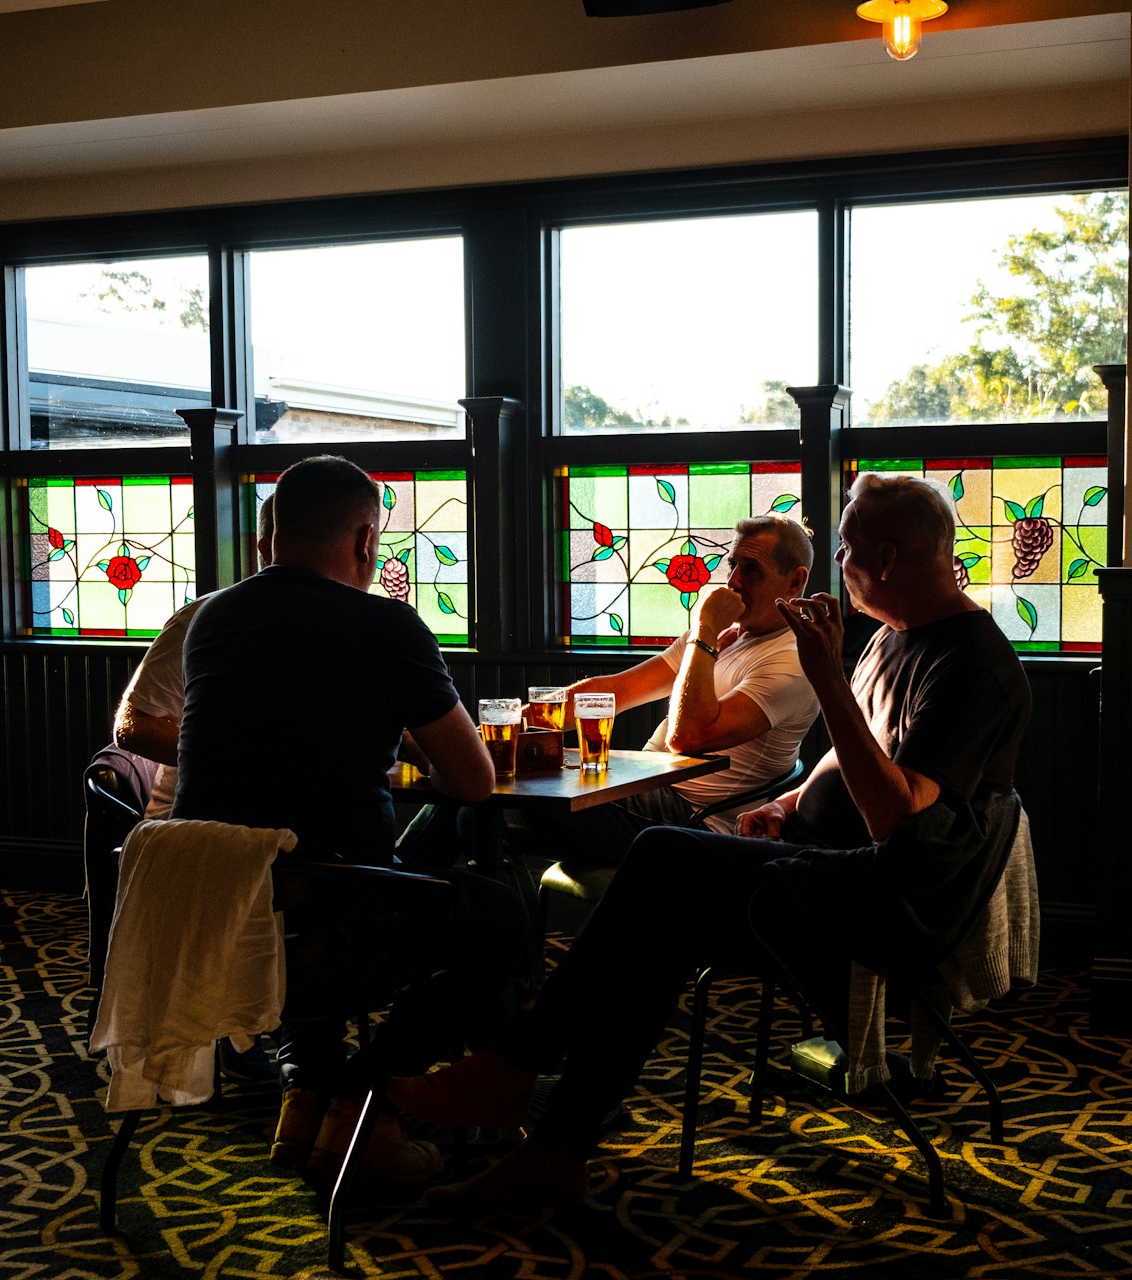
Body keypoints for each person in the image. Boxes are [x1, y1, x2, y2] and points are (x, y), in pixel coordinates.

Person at [388, 472, 1033, 1212]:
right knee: (660, 920)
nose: (840, 564)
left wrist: (825, 680)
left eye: (848, 548)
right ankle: (556, 1148)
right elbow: (857, 752)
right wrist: (790, 802)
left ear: (886, 558)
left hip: (888, 896)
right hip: (823, 861)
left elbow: (899, 817)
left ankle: (517, 1065)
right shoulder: (895, 636)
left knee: (664, 856)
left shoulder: (972, 664)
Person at [173, 454, 532, 1187]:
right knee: (496, 914)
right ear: (367, 540)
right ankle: (364, 1101)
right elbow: (472, 779)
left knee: (313, 877)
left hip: (213, 911)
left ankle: (305, 1091)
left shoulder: (215, 617)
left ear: (268, 538)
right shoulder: (386, 625)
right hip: (340, 920)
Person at [401, 515, 820, 871]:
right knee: (471, 783)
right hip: (644, 791)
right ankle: (400, 892)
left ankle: (398, 900)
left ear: (795, 581)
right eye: (733, 565)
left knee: (475, 807)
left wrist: (705, 632)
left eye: (752, 570)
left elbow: (688, 736)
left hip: (691, 824)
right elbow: (615, 691)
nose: (732, 582)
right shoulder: (726, 636)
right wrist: (483, 738)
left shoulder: (795, 659)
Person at [112, 497, 273, 819]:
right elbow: (132, 728)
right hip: (194, 825)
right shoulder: (203, 618)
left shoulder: (351, 623)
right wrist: (246, 761)